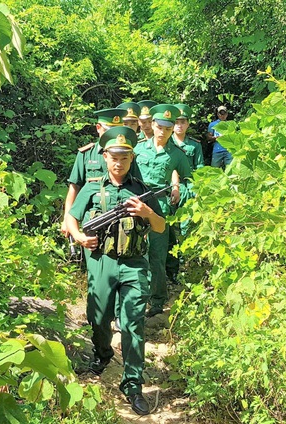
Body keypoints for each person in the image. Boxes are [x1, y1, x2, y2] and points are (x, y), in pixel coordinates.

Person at [66, 126, 165, 416]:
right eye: (114, 157)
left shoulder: (141, 190)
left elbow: (160, 226)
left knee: (133, 324)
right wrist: (81, 238)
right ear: (105, 157)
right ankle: (103, 354)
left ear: (132, 158)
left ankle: (133, 385)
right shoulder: (93, 188)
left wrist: (147, 213)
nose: (119, 163)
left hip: (134, 264)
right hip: (101, 262)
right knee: (99, 317)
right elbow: (72, 218)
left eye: (124, 157)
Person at [133, 104, 192, 317]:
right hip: (137, 205)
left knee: (157, 255)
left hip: (161, 207)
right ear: (153, 125)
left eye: (168, 129)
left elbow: (189, 179)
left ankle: (157, 300)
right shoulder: (138, 148)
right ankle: (136, 296)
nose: (163, 132)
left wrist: (180, 192)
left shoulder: (177, 154)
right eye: (160, 127)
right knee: (134, 251)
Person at [61, 108, 128, 237]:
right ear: (98, 128)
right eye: (108, 131)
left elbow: (136, 186)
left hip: (121, 219)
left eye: (116, 131)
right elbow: (74, 188)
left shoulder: (127, 156)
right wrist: (66, 219)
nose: (112, 136)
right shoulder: (86, 154)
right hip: (92, 219)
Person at [165, 103, 203, 284]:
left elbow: (199, 169)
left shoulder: (194, 145)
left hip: (187, 189)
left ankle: (184, 266)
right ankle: (170, 269)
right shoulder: (166, 142)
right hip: (168, 189)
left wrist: (196, 192)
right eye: (176, 122)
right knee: (167, 229)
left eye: (183, 122)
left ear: (188, 124)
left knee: (186, 228)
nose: (179, 125)